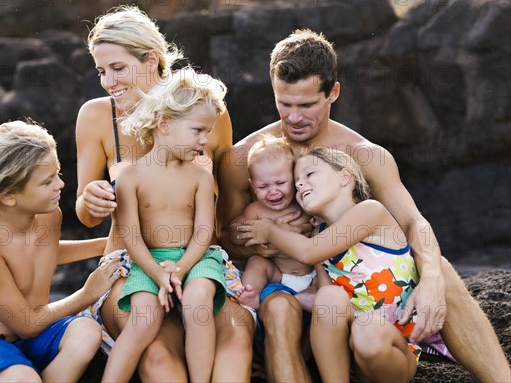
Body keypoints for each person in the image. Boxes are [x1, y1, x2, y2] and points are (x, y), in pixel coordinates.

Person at [216, 29, 510, 382]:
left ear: (333, 93)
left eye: (306, 105)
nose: (293, 117)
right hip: (292, 293)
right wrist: (275, 237)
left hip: (361, 301)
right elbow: (226, 242)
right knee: (280, 310)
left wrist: (430, 278)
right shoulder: (245, 159)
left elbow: (414, 224)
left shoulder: (365, 156)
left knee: (442, 270)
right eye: (284, 103)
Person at [75, 5, 253, 381]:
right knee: (156, 354)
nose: (108, 81)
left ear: (152, 59)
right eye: (101, 71)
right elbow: (85, 214)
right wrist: (89, 200)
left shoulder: (209, 113)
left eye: (118, 68)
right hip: (130, 264)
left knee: (234, 341)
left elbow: (229, 202)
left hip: (199, 263)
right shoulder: (95, 116)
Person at [0, 120, 119, 383]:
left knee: (87, 331)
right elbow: (27, 325)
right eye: (47, 181)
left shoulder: (49, 216)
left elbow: (42, 252)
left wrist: (104, 244)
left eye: (58, 173)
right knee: (23, 378)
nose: (61, 184)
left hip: (35, 335)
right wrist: (88, 293)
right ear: (8, 195)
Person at [239, 148, 422, 382]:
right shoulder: (319, 235)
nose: (301, 185)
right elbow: (322, 307)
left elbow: (307, 252)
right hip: (349, 352)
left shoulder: (369, 212)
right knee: (328, 297)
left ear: (346, 177)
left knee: (367, 328)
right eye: (296, 184)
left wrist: (269, 230)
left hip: (391, 349)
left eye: (310, 174)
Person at [101, 68, 229, 382]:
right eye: (198, 130)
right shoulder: (130, 177)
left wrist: (182, 268)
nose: (205, 140)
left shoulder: (200, 174)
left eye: (208, 131)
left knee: (198, 301)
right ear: (165, 124)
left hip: (196, 258)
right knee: (144, 318)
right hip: (147, 261)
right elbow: (130, 234)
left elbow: (204, 231)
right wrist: (159, 273)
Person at [231, 136, 327, 311]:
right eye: (263, 186)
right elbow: (234, 233)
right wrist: (249, 232)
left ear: (294, 178)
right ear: (252, 186)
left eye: (281, 183)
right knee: (257, 263)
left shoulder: (305, 203)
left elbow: (327, 220)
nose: (273, 191)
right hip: (278, 274)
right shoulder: (255, 211)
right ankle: (250, 295)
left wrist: (318, 219)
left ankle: (315, 293)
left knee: (326, 264)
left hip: (313, 274)